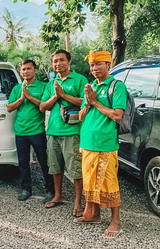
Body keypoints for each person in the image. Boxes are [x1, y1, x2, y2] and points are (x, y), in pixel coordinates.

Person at [76, 50, 127, 238]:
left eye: (98, 64)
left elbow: (117, 115)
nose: (94, 68)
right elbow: (81, 116)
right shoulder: (91, 88)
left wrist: (96, 102)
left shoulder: (117, 86)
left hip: (105, 143)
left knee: (108, 183)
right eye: (92, 65)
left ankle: (116, 221)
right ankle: (94, 214)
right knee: (90, 181)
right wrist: (88, 102)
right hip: (88, 143)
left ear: (108, 64)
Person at [39, 49, 88, 218]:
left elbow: (86, 102)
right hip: (53, 130)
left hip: (72, 131)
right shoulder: (49, 83)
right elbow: (42, 106)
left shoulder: (80, 80)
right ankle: (58, 196)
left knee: (75, 168)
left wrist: (64, 95)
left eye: (61, 60)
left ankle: (78, 202)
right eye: (55, 61)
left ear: (69, 62)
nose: (58, 64)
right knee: (55, 166)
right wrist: (55, 96)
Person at [7, 59, 54, 203]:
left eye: (28, 69)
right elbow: (9, 108)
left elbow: (45, 106)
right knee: (23, 162)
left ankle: (50, 190)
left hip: (37, 130)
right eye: (23, 69)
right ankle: (26, 189)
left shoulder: (43, 86)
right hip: (20, 131)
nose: (25, 72)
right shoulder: (17, 88)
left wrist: (30, 97)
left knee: (44, 162)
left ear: (35, 70)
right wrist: (21, 98)